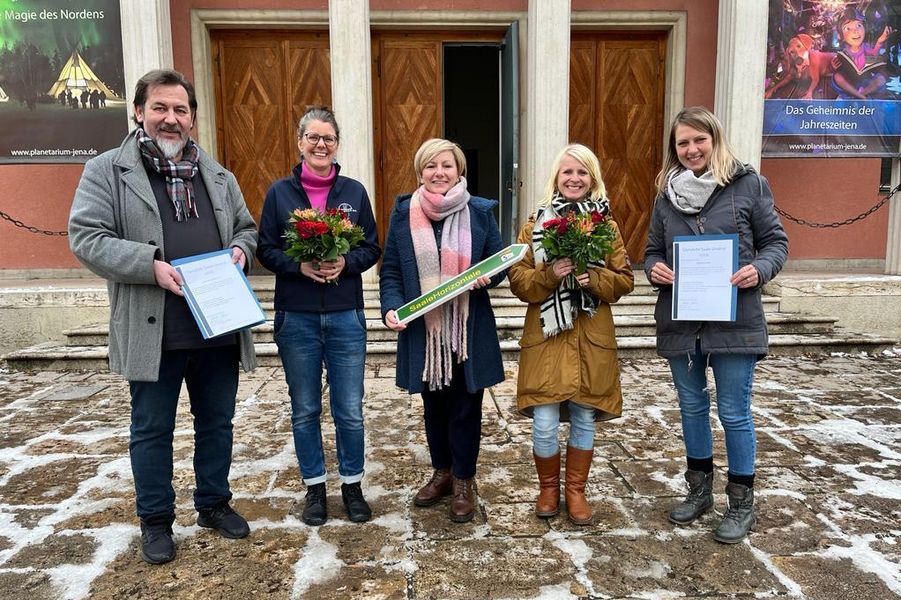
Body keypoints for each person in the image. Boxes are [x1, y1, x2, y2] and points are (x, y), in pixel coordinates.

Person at [68, 69, 258, 565]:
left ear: (192, 118)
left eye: (180, 110)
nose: (171, 119)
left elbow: (246, 228)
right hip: (156, 332)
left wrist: (240, 250)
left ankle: (214, 504)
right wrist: (148, 266)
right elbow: (86, 237)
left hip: (216, 326)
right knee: (152, 429)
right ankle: (156, 520)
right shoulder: (108, 170)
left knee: (217, 423)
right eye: (160, 108)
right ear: (139, 111)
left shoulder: (217, 175)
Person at [644, 106, 788, 543]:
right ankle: (699, 490)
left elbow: (776, 244)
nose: (691, 150)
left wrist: (758, 270)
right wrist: (655, 269)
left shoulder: (748, 185)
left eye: (698, 140)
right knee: (691, 409)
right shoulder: (666, 196)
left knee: (734, 412)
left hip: (735, 321)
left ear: (714, 140)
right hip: (683, 323)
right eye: (682, 143)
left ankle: (742, 502)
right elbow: (651, 250)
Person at [257, 106, 381, 527]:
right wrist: (299, 266)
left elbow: (372, 247)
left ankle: (352, 485)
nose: (321, 144)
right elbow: (266, 248)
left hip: (346, 313)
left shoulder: (354, 192)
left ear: (337, 143)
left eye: (328, 138)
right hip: (298, 315)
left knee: (349, 408)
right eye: (313, 137)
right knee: (305, 407)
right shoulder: (279, 194)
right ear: (300, 142)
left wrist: (346, 262)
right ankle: (315, 488)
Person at [380, 138, 506, 523]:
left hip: (467, 328)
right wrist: (391, 307)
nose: (439, 173)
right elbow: (391, 271)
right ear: (421, 172)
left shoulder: (481, 212)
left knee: (467, 406)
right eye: (431, 166)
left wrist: (488, 276)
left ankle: (465, 480)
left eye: (447, 166)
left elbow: (499, 263)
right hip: (425, 329)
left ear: (459, 171)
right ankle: (443, 473)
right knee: (433, 406)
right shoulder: (404, 214)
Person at [508, 144, 634, 525]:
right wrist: (551, 274)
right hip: (547, 339)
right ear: (556, 178)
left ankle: (575, 491)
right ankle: (548, 488)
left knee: (583, 417)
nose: (574, 179)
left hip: (590, 338)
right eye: (567, 173)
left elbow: (625, 280)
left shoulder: (606, 226)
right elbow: (519, 280)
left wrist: (592, 278)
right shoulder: (535, 225)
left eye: (582, 173)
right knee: (544, 421)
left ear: (592, 179)